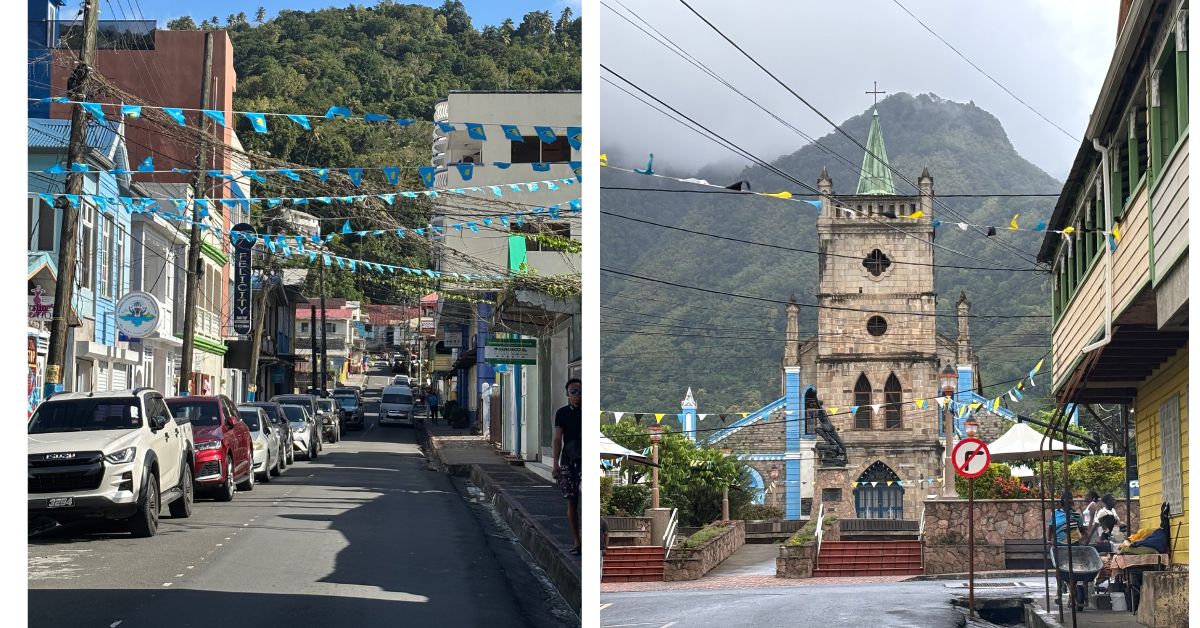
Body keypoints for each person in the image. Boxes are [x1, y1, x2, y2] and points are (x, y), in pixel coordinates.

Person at [553, 378, 582, 555]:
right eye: (574, 392)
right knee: (572, 501)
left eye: (580, 391)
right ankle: (577, 541)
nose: (578, 396)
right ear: (567, 393)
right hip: (568, 461)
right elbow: (557, 439)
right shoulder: (561, 413)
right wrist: (555, 464)